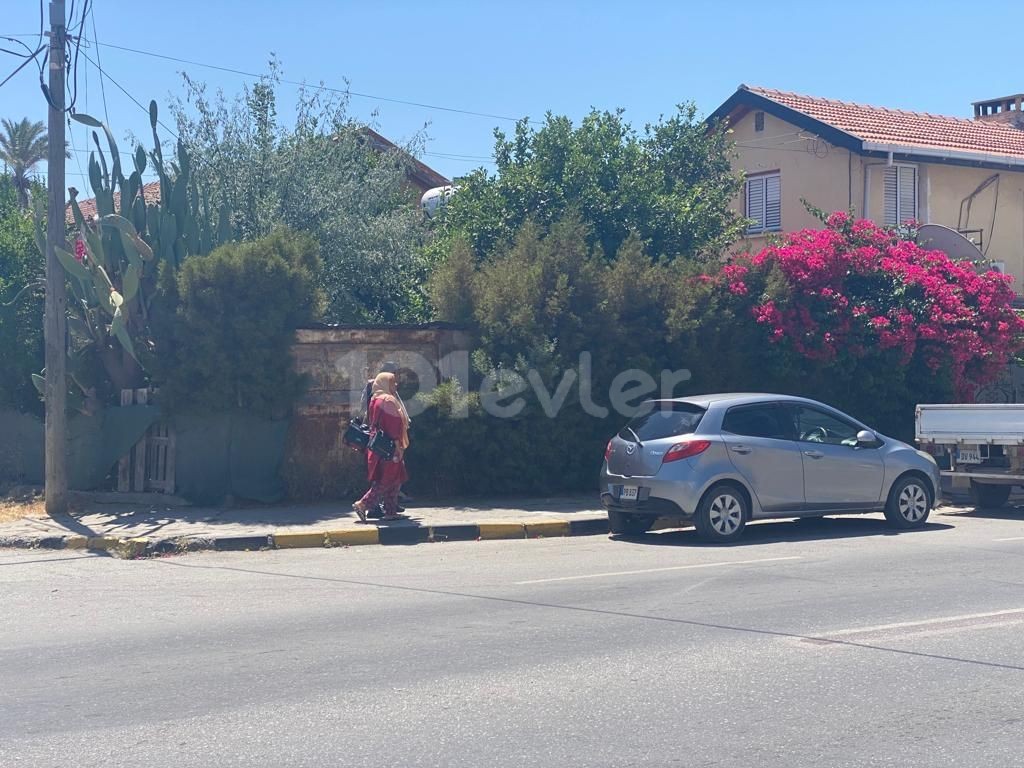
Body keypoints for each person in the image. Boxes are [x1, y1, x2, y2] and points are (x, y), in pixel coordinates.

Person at [353, 372, 410, 522]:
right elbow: (393, 426)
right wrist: (398, 446)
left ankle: (390, 511)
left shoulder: (375, 399)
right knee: (387, 479)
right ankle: (363, 504)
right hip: (389, 447)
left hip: (378, 445)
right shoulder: (388, 400)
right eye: (392, 382)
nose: (396, 385)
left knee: (395, 477)